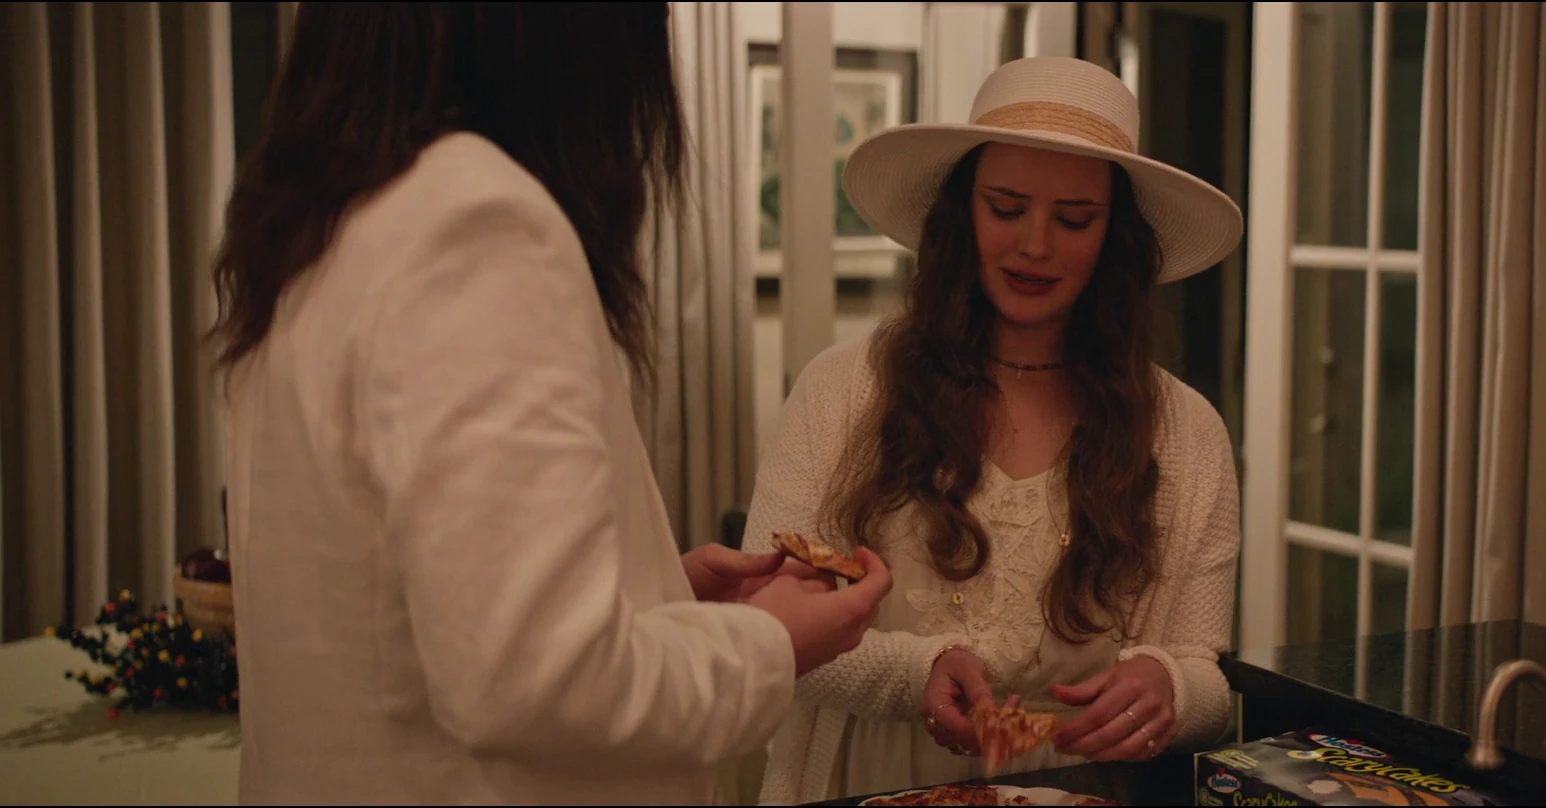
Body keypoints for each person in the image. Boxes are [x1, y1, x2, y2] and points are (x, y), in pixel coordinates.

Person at [207, 4, 891, 804]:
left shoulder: (322, 224)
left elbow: (402, 606)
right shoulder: (474, 224)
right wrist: (769, 641)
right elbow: (537, 682)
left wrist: (653, 595)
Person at [746, 57, 1246, 805]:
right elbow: (767, 631)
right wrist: (915, 673)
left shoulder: (1187, 433)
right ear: (961, 214)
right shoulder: (844, 391)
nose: (1036, 245)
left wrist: (1168, 686)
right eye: (1007, 209)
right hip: (868, 777)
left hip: (1079, 787)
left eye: (1074, 220)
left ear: (1115, 237)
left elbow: (1208, 679)